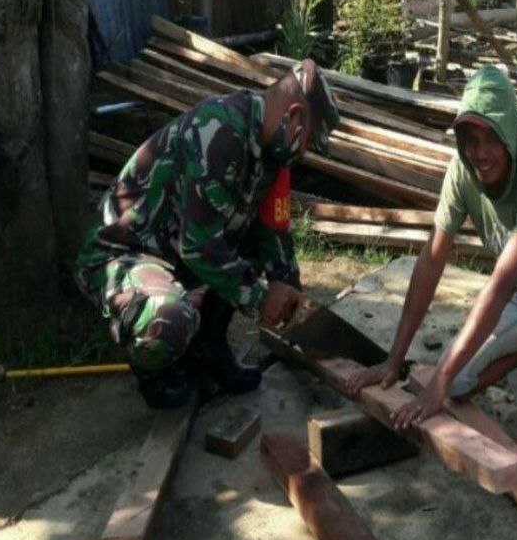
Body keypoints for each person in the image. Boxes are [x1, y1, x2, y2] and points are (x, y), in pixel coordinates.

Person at [340, 67, 517, 472]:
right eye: (470, 140)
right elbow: (431, 260)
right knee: (457, 385)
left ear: (511, 135)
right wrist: (395, 360)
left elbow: (499, 289)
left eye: (491, 139)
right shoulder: (462, 172)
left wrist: (438, 381)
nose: (480, 153)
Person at [76, 60, 339, 408]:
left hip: (179, 252)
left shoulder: (273, 158)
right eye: (307, 141)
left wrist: (292, 295)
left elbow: (274, 235)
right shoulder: (218, 130)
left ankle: (209, 347)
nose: (304, 153)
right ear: (293, 116)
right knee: (171, 320)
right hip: (128, 254)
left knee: (248, 247)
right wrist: (261, 299)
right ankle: (157, 368)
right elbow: (199, 247)